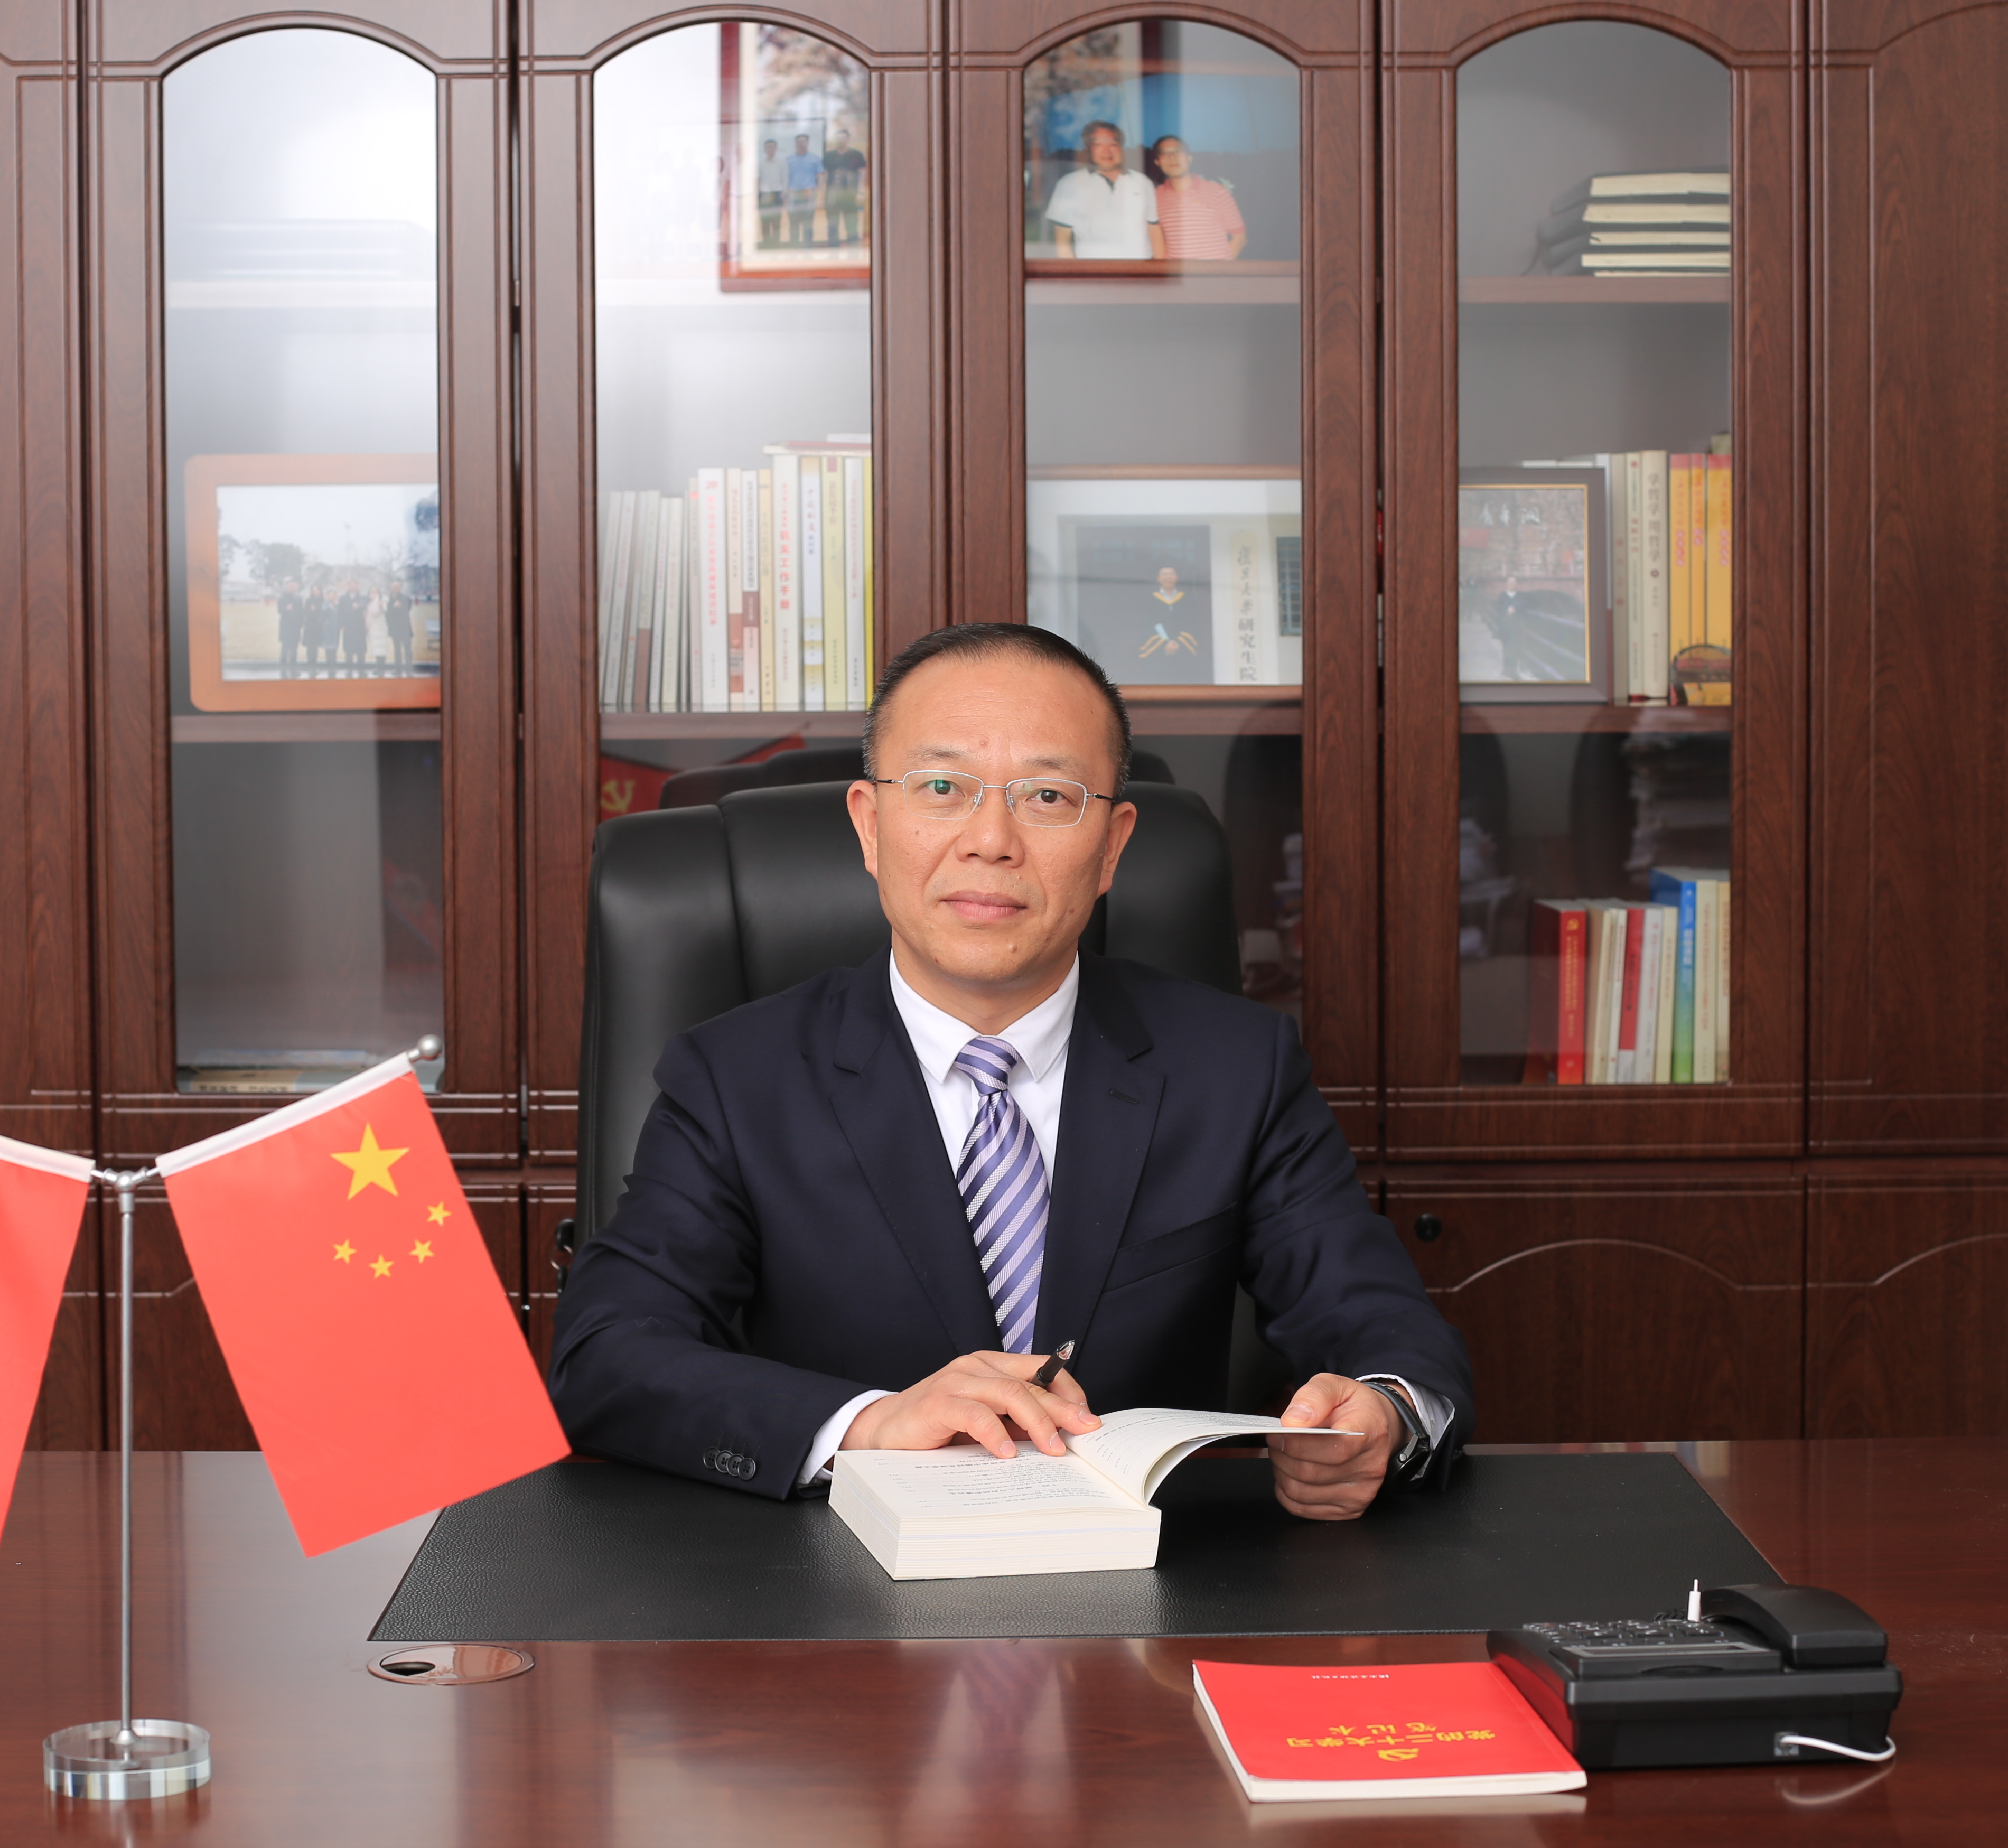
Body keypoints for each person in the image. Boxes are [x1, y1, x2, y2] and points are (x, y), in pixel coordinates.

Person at [552, 622, 1472, 1518]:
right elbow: (608, 1355)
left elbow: (1380, 1325)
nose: (991, 839)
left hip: (1151, 1586)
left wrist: (1384, 1413)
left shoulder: (1236, 1067)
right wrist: (870, 1425)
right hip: (836, 1581)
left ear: (1112, 847)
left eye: (1047, 797)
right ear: (870, 826)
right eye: (941, 787)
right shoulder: (735, 1079)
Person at [1040, 122, 1159, 261]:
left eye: (1113, 144)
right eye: (1099, 145)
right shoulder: (1070, 184)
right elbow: (1063, 242)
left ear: (1122, 148)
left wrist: (1159, 268)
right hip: (1092, 269)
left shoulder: (1142, 182)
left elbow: (1154, 229)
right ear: (1088, 149)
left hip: (1140, 267)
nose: (1107, 151)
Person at [1146, 135, 1245, 261]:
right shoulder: (1156, 196)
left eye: (1178, 151)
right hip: (1176, 272)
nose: (1172, 157)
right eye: (1165, 153)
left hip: (1214, 272)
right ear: (1158, 162)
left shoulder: (1217, 192)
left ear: (1189, 158)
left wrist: (1221, 268)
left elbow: (1239, 238)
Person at [820, 126, 869, 247]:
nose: (841, 141)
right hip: (833, 193)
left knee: (851, 221)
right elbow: (824, 176)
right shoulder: (829, 156)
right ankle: (833, 247)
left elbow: (862, 174)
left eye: (843, 138)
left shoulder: (856, 155)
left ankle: (853, 247)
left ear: (848, 140)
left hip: (851, 193)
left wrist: (861, 192)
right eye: (838, 138)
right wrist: (823, 193)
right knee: (833, 222)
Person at [785, 133, 825, 247]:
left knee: (809, 221)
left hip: (809, 192)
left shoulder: (815, 159)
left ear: (808, 143)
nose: (801, 144)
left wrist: (820, 195)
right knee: (793, 221)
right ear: (795, 144)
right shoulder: (789, 160)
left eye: (803, 142)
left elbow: (820, 177)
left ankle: (808, 246)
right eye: (799, 142)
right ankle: (794, 246)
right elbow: (785, 178)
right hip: (793, 193)